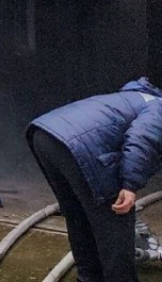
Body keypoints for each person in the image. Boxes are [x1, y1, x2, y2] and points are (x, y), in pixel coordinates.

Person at [27, 78, 162, 282]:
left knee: (79, 217)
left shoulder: (135, 97)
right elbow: (143, 139)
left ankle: (89, 278)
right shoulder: (159, 107)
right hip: (79, 147)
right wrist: (129, 185)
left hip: (45, 135)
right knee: (115, 222)